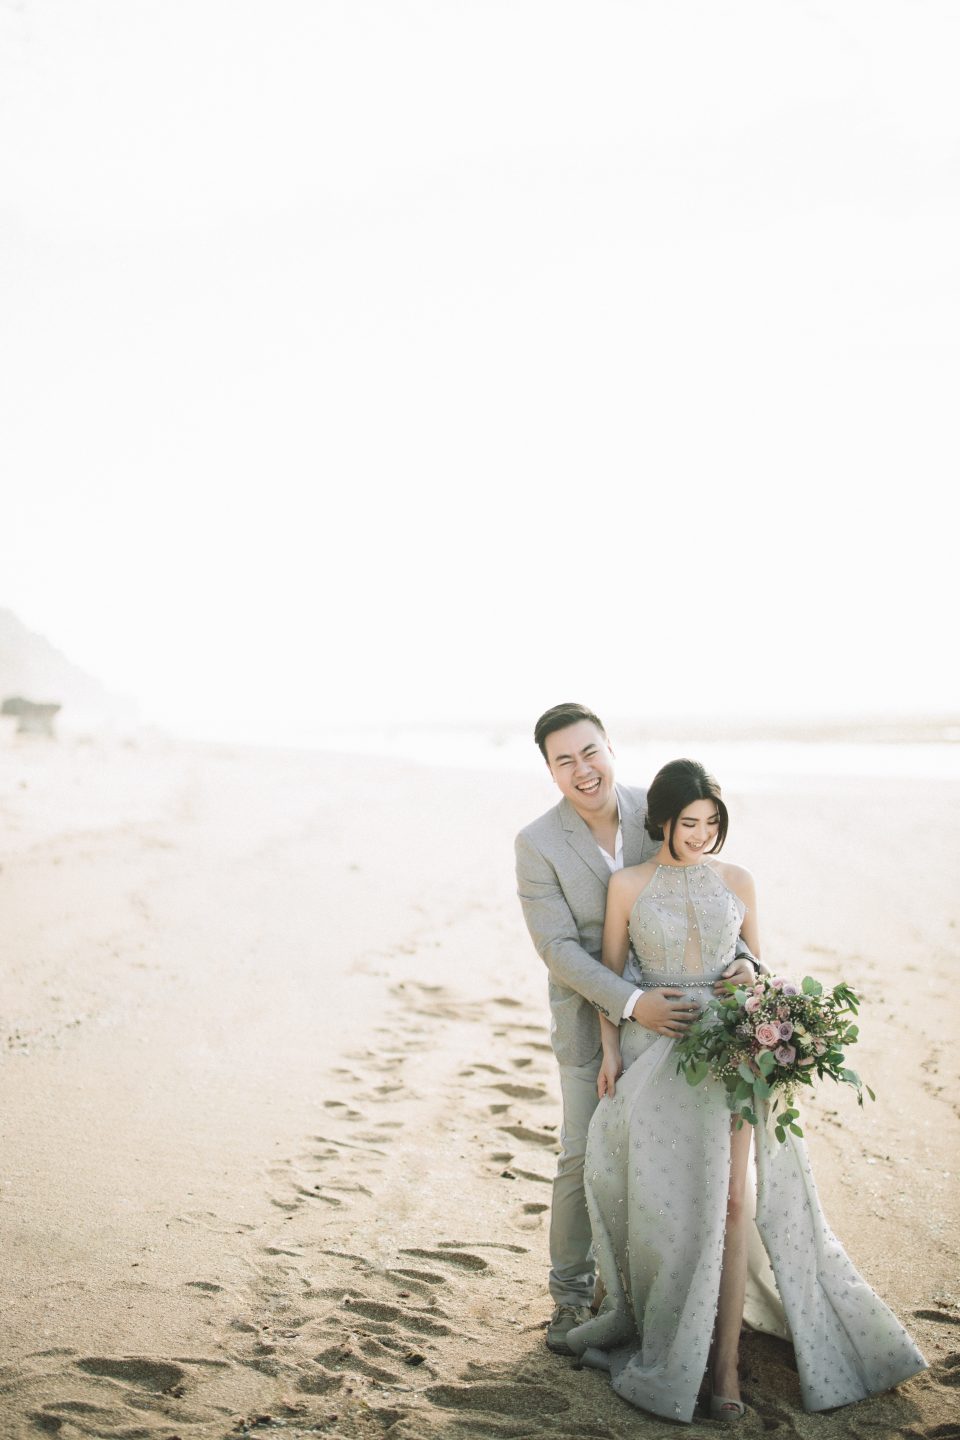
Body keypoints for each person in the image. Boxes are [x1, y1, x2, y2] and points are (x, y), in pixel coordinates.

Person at [565, 758, 927, 1423]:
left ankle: (724, 1366)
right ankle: (673, 1340)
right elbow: (608, 980)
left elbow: (761, 965)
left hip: (730, 1051)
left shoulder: (740, 880)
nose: (701, 835)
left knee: (733, 1207)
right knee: (673, 1212)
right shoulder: (628, 885)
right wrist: (611, 1052)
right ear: (661, 823)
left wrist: (745, 972)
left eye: (711, 823)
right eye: (688, 824)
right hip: (659, 1054)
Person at [515, 705, 758, 1355]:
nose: (581, 769)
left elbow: (711, 893)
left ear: (609, 748)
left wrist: (746, 963)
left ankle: (651, 1291)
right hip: (592, 1017)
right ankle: (570, 1295)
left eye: (589, 752)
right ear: (549, 770)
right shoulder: (537, 843)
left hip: (679, 1023)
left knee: (666, 1160)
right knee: (579, 1152)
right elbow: (558, 949)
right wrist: (629, 1005)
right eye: (563, 760)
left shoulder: (658, 808)